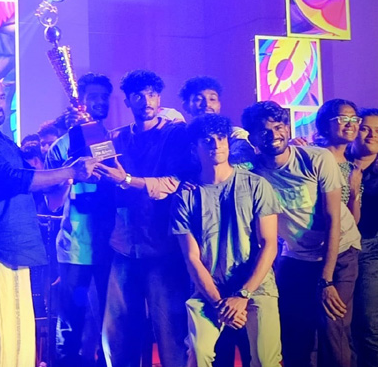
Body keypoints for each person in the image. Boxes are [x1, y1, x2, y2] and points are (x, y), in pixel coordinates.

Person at [0, 75, 96, 367]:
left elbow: (33, 184)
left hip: (14, 246)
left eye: (1, 97)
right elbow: (11, 178)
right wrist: (70, 172)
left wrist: (69, 166)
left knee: (18, 338)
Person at [242, 100, 361, 367]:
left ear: (287, 127)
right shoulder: (253, 171)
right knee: (294, 330)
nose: (274, 134)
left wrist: (326, 281)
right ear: (253, 137)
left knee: (332, 327)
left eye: (279, 126)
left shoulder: (316, 158)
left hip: (339, 250)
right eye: (264, 131)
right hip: (297, 255)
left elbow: (333, 220)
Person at [171, 114, 282, 367]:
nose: (216, 145)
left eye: (221, 138)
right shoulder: (186, 196)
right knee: (198, 353)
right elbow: (191, 257)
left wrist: (243, 294)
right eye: (208, 140)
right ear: (195, 147)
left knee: (266, 359)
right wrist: (219, 303)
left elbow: (269, 244)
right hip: (210, 287)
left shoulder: (256, 185)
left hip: (256, 285)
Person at [101, 69, 191, 367]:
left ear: (159, 98)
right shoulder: (116, 137)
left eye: (152, 94)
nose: (146, 101)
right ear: (128, 101)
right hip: (123, 244)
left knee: (170, 333)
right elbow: (100, 174)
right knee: (118, 333)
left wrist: (128, 180)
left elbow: (174, 182)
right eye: (138, 96)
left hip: (163, 246)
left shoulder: (175, 133)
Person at [44, 72, 115, 367]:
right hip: (75, 248)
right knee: (71, 322)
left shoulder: (114, 139)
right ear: (79, 102)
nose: (100, 102)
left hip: (112, 245)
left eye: (104, 97)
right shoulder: (61, 146)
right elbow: (52, 202)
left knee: (112, 322)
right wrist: (70, 172)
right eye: (93, 97)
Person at [349, 108, 378, 367]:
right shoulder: (335, 160)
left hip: (371, 246)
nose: (371, 135)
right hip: (337, 248)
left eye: (377, 131)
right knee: (341, 323)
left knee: (368, 321)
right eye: (366, 128)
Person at [179, 75, 255, 165]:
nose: (207, 104)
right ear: (186, 106)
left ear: (219, 104)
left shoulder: (234, 133)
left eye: (212, 99)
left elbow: (246, 159)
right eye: (198, 99)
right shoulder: (179, 135)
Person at [315, 99, 362, 219]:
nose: (350, 124)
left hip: (341, 229)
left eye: (354, 119)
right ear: (325, 125)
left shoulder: (352, 169)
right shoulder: (311, 155)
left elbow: (354, 220)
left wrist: (354, 193)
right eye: (343, 119)